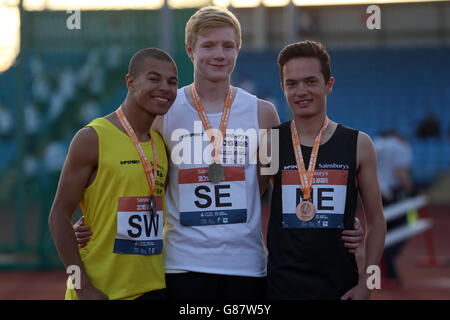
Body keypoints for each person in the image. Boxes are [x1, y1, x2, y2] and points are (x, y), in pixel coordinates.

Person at [74, 6, 364, 300]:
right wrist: (90, 222)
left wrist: (335, 221)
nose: (219, 54)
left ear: (238, 50)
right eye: (208, 45)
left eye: (228, 46)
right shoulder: (164, 114)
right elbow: (144, 175)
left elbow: (283, 187)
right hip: (180, 266)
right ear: (190, 50)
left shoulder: (264, 114)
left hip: (246, 267)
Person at [48, 48, 178, 300]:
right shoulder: (92, 138)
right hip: (99, 292)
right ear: (130, 82)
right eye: (154, 79)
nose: (165, 87)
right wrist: (82, 287)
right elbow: (58, 216)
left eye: (172, 82)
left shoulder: (161, 144)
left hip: (153, 288)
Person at [260, 40, 386, 300]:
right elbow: (250, 207)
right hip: (279, 288)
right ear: (283, 87)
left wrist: (368, 284)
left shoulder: (359, 144)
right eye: (292, 84)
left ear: (329, 85)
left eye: (311, 81)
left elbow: (376, 221)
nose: (301, 91)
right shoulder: (270, 142)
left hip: (339, 288)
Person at [374, 130, 413, 286]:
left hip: (376, 192)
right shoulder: (400, 146)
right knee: (407, 226)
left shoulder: (375, 143)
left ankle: (380, 274)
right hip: (395, 194)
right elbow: (400, 171)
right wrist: (411, 189)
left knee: (382, 231)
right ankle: (388, 262)